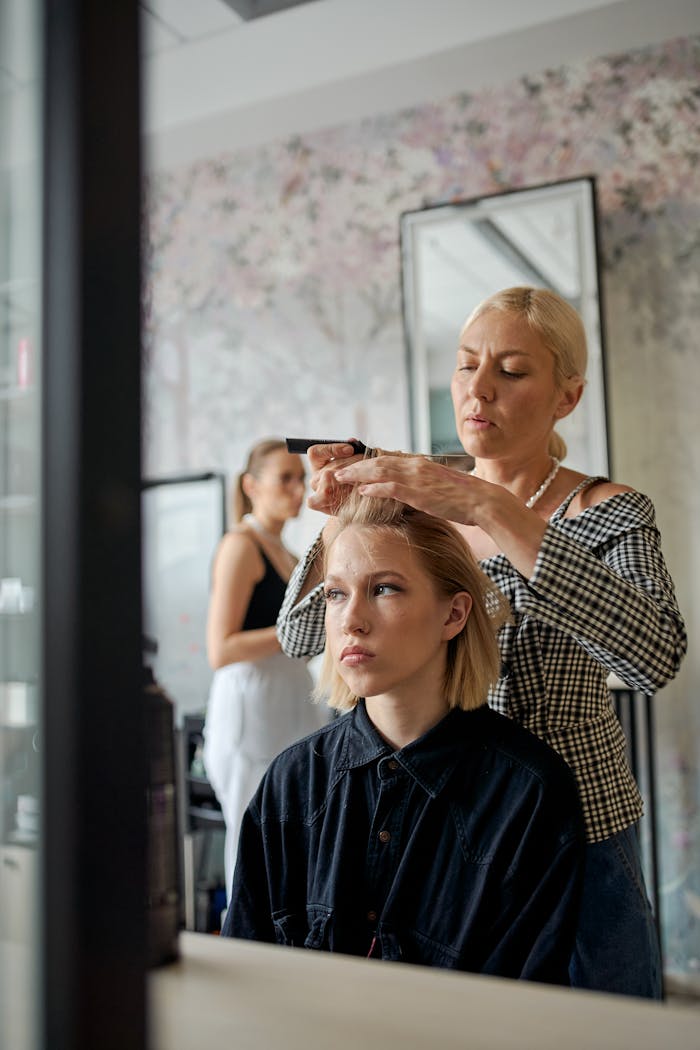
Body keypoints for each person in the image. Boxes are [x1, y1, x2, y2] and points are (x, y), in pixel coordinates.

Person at [276, 286, 687, 998]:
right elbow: (300, 633)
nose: (479, 389)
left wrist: (492, 509)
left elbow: (652, 658)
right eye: (466, 366)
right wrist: (342, 522)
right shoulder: (423, 509)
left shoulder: (609, 512)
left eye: (512, 370)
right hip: (446, 826)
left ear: (567, 395)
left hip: (578, 829)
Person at [223, 493, 585, 984]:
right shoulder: (292, 781)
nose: (351, 620)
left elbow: (524, 1006)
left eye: (385, 589)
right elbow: (248, 975)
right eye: (335, 594)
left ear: (453, 615)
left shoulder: (529, 794)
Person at [202, 438, 328, 900]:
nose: (298, 489)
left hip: (288, 700)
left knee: (292, 830)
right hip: (251, 704)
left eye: (302, 479)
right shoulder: (240, 545)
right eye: (286, 479)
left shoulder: (289, 554)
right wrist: (295, 632)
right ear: (251, 485)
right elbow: (221, 649)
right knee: (253, 831)